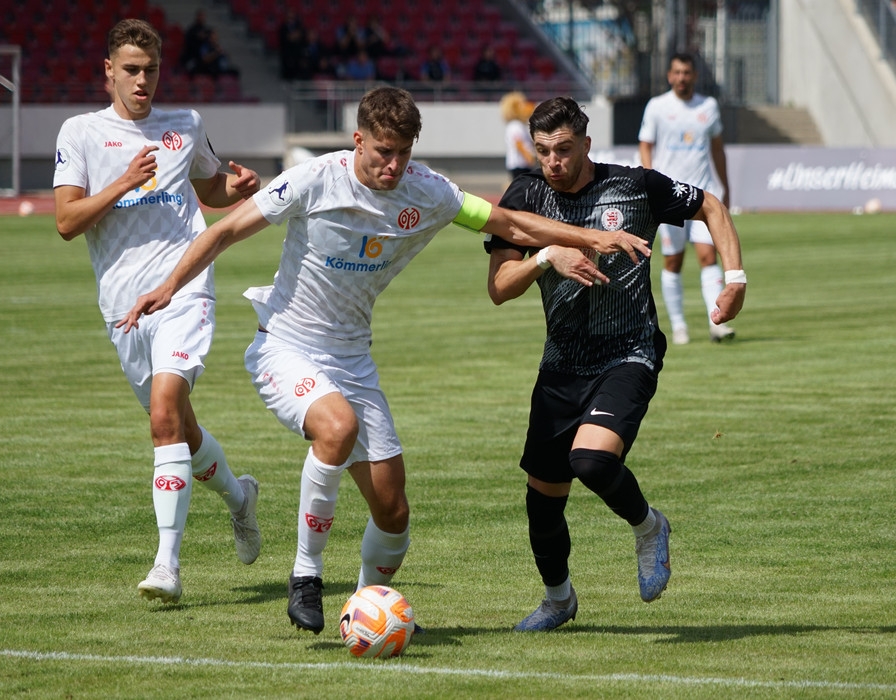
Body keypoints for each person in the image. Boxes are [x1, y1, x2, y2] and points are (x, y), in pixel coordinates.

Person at [118, 86, 651, 635]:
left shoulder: (429, 191)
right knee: (337, 428)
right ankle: (305, 576)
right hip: (285, 344)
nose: (393, 165)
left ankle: (367, 608)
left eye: (403, 152)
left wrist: (589, 236)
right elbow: (226, 229)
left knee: (394, 516)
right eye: (382, 152)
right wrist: (168, 287)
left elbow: (508, 224)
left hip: (353, 359)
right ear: (358, 141)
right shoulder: (314, 179)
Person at [486, 96, 745, 631]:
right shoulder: (525, 196)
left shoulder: (635, 186)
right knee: (543, 501)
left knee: (593, 461)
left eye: (562, 150)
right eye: (542, 152)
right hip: (560, 364)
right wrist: (543, 256)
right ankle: (559, 600)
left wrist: (734, 279)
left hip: (628, 353)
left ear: (585, 143)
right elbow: (499, 289)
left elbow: (711, 207)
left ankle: (649, 526)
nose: (553, 162)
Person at [53, 18, 263, 605]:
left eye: (151, 71)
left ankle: (167, 564)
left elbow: (209, 188)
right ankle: (240, 498)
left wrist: (237, 185)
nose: (143, 82)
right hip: (123, 307)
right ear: (108, 73)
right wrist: (123, 182)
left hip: (184, 287)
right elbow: (68, 222)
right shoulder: (80, 133)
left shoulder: (185, 124)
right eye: (131, 71)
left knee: (166, 410)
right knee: (179, 428)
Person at [638, 53, 734, 344]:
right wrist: (649, 185)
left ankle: (716, 321)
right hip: (669, 198)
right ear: (670, 75)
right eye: (677, 72)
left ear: (694, 76)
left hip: (703, 196)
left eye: (687, 72)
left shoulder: (708, 106)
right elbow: (645, 147)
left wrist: (725, 187)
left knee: (708, 256)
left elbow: (717, 149)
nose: (682, 77)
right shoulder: (657, 107)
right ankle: (678, 326)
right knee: (673, 262)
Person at [500, 91, 536, 181]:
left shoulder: (517, 125)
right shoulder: (515, 125)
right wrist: (528, 156)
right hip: (520, 164)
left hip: (520, 164)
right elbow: (518, 143)